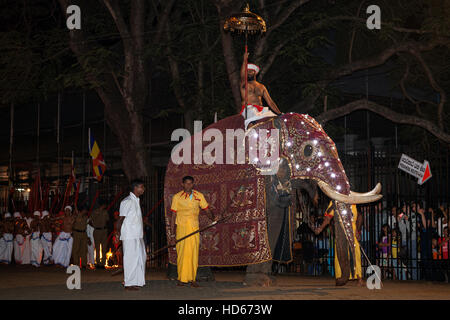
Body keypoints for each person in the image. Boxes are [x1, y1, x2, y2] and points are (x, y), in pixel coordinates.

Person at [169, 176, 216, 287]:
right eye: (186, 183)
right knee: (182, 254)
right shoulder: (177, 197)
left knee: (193, 253)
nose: (188, 185)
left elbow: (207, 210)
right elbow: (173, 215)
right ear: (182, 184)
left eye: (190, 183)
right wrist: (172, 233)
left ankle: (192, 279)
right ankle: (181, 279)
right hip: (181, 228)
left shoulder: (199, 196)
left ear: (193, 184)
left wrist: (213, 218)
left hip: (194, 229)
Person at [315, 201, 363, 286]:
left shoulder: (354, 200)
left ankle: (359, 278)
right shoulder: (335, 202)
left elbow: (359, 216)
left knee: (356, 253)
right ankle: (341, 277)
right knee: (340, 254)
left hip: (352, 233)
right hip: (340, 233)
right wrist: (321, 228)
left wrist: (358, 231)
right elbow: (328, 218)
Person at [117, 179, 147, 291]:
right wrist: (118, 233)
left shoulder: (136, 200)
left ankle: (137, 281)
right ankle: (128, 283)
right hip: (129, 235)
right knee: (130, 259)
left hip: (137, 235)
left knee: (140, 258)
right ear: (136, 188)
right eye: (142, 187)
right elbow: (120, 219)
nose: (143, 189)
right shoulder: (127, 201)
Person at [239, 52, 282, 129]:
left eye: (250, 71)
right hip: (249, 109)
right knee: (252, 119)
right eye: (247, 71)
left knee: (276, 120)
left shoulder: (261, 86)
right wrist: (244, 60)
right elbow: (242, 75)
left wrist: (279, 113)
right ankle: (250, 136)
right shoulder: (244, 84)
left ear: (255, 72)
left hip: (261, 110)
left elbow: (270, 102)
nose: (248, 73)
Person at [90, 200, 109, 268]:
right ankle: (98, 263)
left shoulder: (105, 212)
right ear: (103, 205)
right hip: (97, 230)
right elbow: (90, 220)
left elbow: (107, 220)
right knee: (97, 248)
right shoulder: (95, 212)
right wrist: (95, 226)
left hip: (103, 230)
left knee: (104, 248)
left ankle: (103, 263)